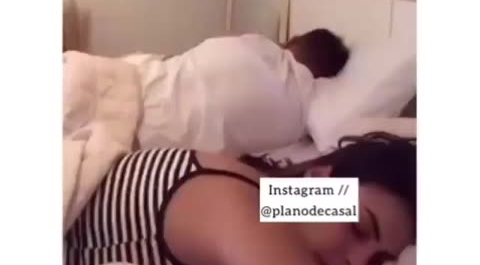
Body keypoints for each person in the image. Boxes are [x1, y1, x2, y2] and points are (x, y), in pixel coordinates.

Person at [64, 133, 416, 265]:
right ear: (320, 181)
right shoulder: (245, 211)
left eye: (377, 262)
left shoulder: (254, 188)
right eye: (358, 226)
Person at [125, 29, 350, 153]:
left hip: (135, 81)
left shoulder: (258, 44)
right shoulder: (298, 121)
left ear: (295, 40)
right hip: (147, 135)